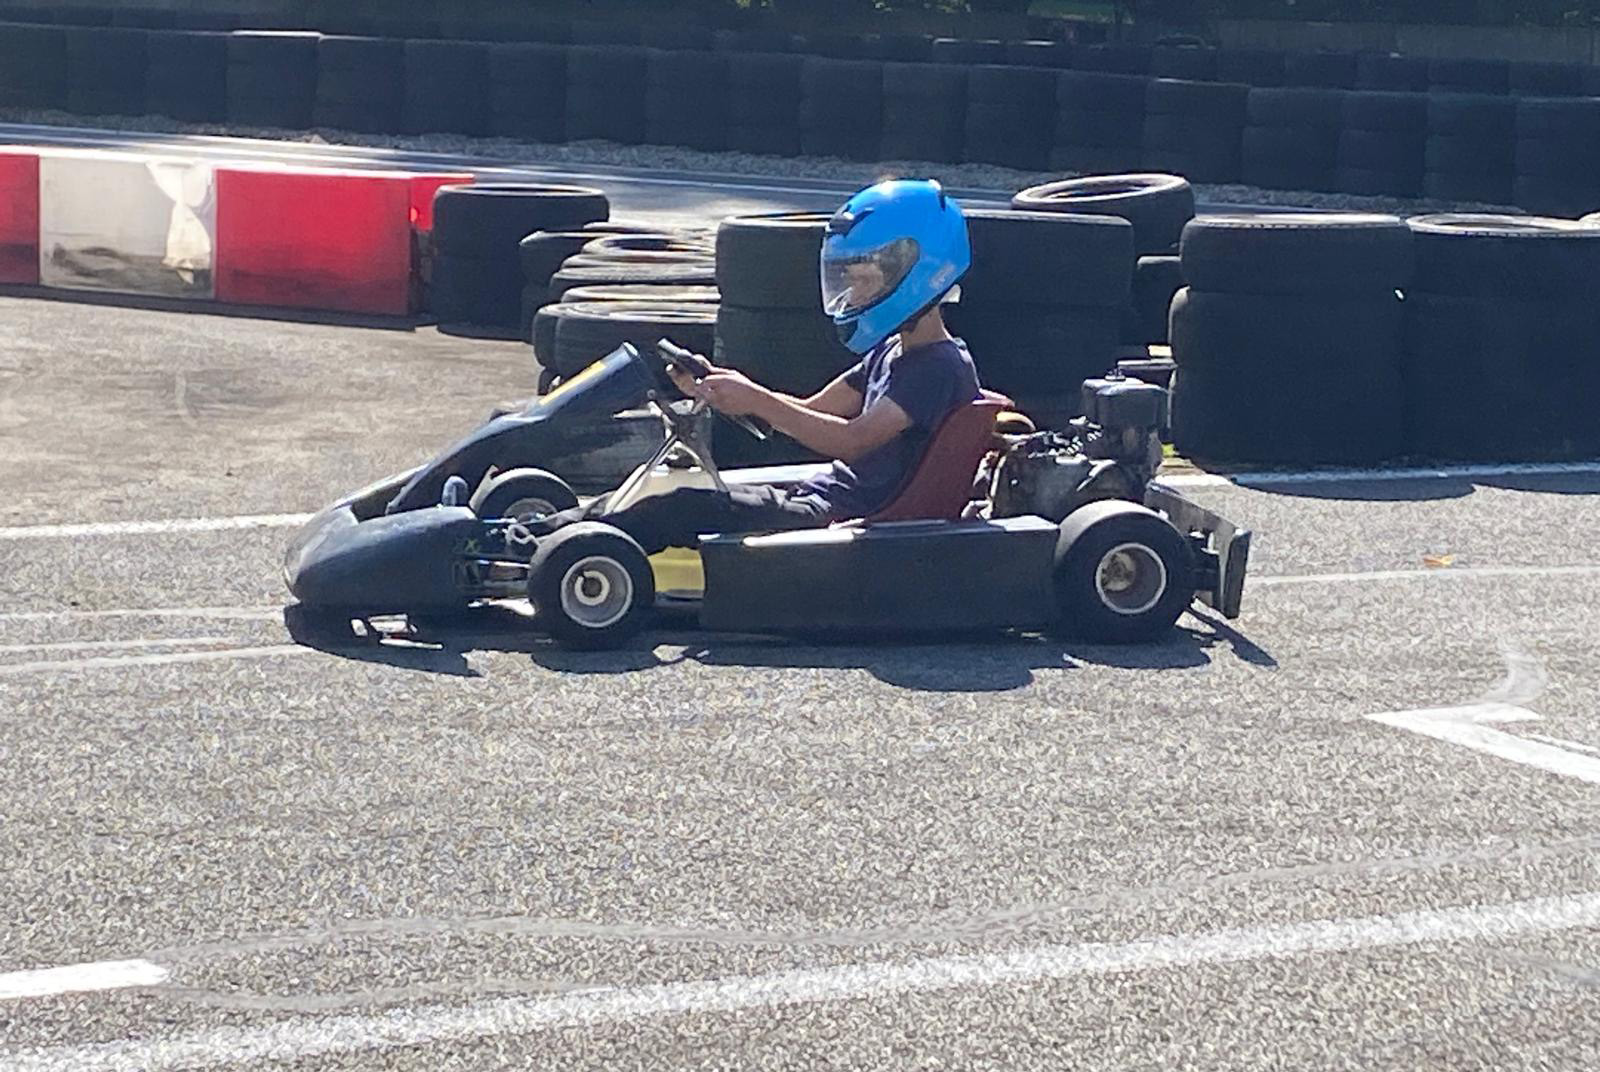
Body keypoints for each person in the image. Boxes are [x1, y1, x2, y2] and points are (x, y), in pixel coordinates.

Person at [530, 177, 982, 555]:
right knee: (658, 491)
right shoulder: (892, 351)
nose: (857, 294)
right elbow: (811, 410)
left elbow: (851, 441)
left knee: (682, 505)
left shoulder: (938, 367)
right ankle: (533, 532)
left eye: (866, 280)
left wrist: (757, 399)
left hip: (844, 516)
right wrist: (724, 388)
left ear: (920, 273)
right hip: (822, 492)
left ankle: (558, 552)